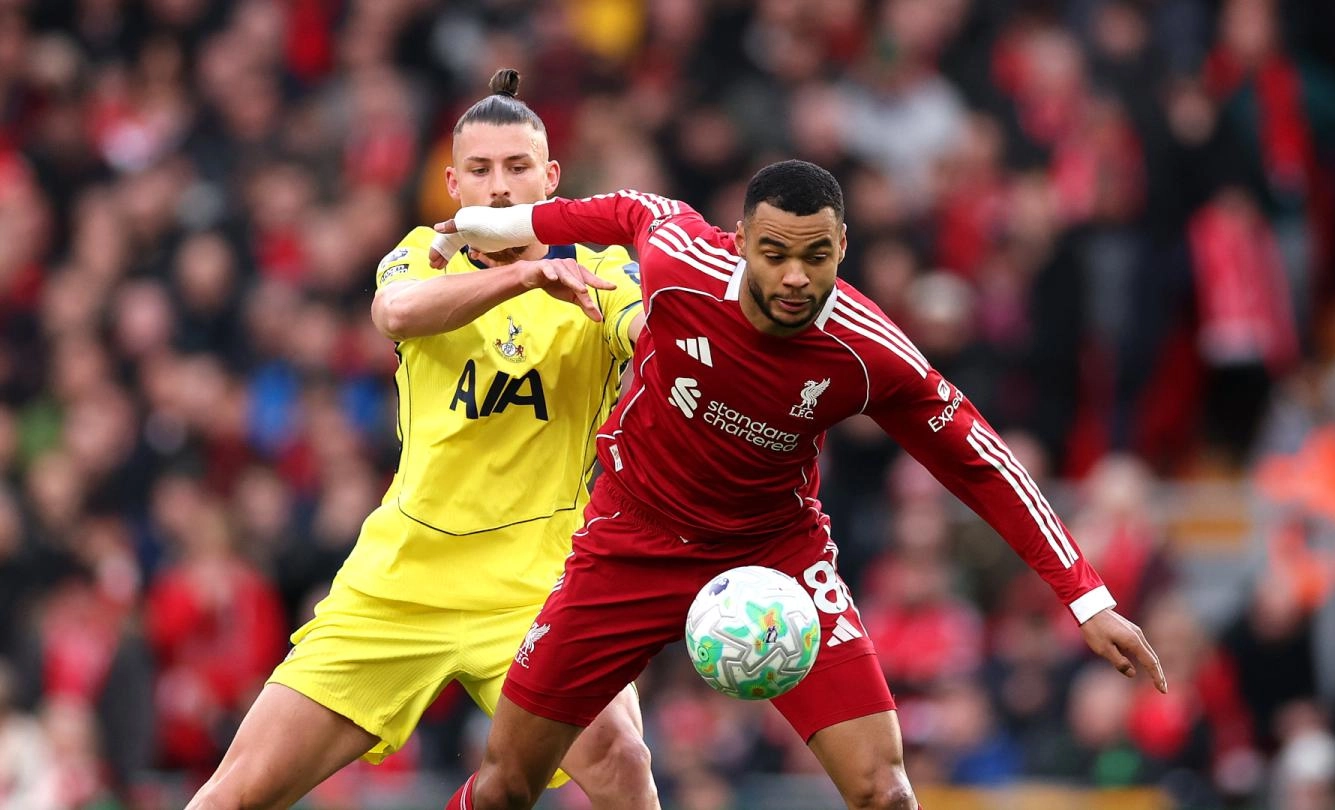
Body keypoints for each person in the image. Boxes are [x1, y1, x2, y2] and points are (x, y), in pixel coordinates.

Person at [429, 159, 1168, 810]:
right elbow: (616, 211)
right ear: (742, 240)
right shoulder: (678, 262)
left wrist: (1087, 596)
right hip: (631, 542)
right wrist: (480, 221)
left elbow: (978, 458)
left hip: (774, 553)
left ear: (841, 248)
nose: (794, 277)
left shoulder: (866, 350)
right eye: (774, 253)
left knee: (885, 790)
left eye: (816, 256)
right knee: (506, 786)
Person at [186, 70, 659, 810]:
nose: (500, 188)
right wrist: (527, 277)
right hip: (403, 579)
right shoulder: (422, 255)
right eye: (480, 170)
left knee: (625, 762)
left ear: (552, 176)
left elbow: (643, 328)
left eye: (517, 168)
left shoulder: (599, 271)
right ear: (453, 184)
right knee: (231, 797)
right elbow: (397, 313)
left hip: (537, 586)